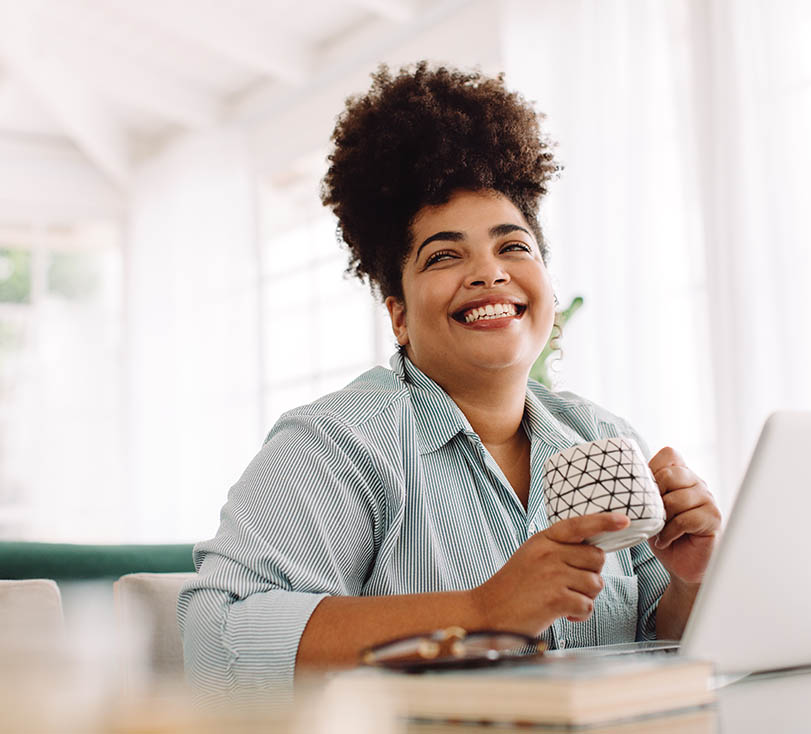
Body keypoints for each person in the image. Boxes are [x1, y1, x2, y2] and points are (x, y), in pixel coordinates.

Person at [178, 61, 721, 699]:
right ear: (399, 314)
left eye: (513, 247)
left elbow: (662, 651)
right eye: (443, 255)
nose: (489, 273)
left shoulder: (602, 438)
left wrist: (691, 581)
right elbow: (214, 642)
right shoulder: (336, 445)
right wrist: (481, 611)